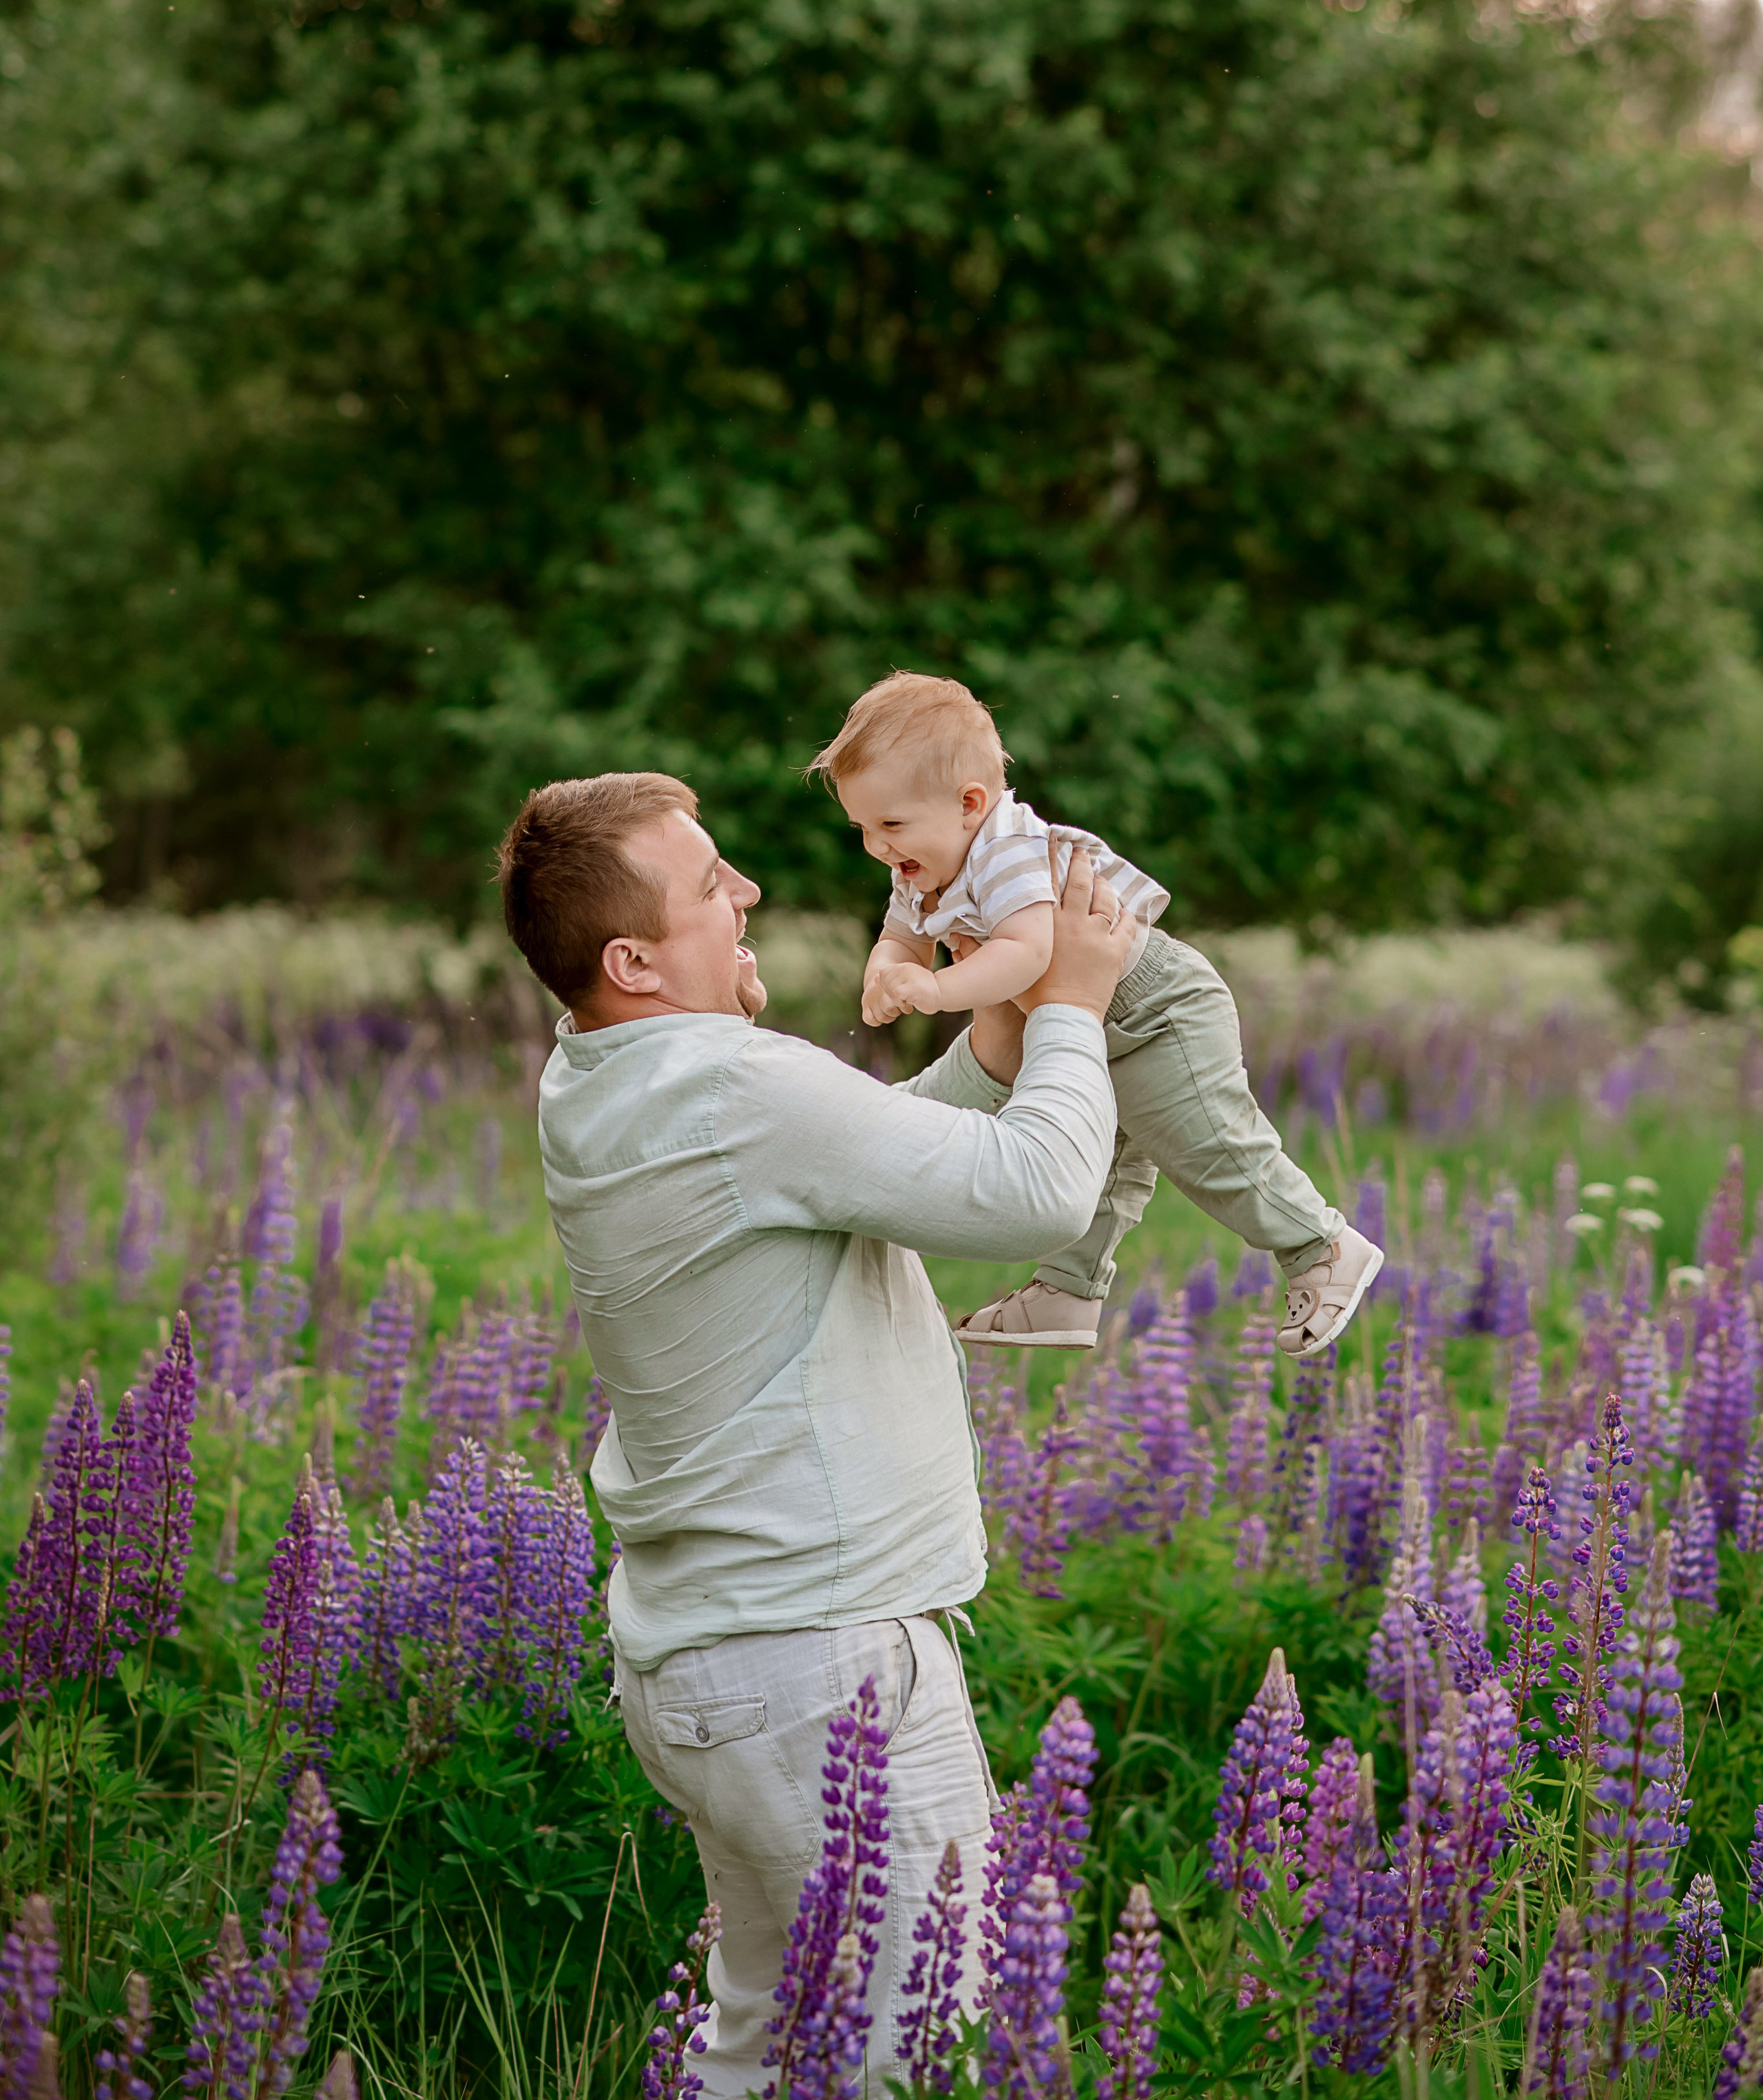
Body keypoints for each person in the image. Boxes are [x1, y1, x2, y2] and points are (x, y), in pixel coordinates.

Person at [496, 769, 1132, 2100]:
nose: (751, 895)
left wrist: (1004, 1050)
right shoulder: (733, 1086)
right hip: (821, 1666)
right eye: (712, 882)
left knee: (763, 2054)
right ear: (633, 959)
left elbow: (856, 1151)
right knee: (920, 2061)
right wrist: (1072, 1004)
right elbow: (1039, 1196)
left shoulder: (599, 1073)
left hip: (719, 1666)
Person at [808, 670, 1382, 1358]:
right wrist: (886, 974)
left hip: (1156, 1009)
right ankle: (1068, 1291)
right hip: (1089, 1019)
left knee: (1206, 1146)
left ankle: (1320, 1246)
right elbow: (899, 939)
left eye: (890, 825)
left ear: (969, 803)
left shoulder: (1006, 850)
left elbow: (1027, 955)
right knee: (1093, 1165)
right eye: (862, 828)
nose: (877, 847)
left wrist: (939, 990)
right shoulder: (921, 868)